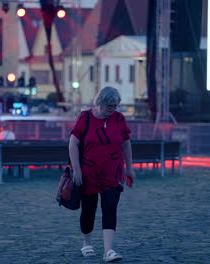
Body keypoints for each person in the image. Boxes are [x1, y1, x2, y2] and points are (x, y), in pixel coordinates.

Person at [68, 86, 135, 262]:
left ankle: (108, 250)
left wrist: (130, 168)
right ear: (99, 103)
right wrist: (76, 169)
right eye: (108, 106)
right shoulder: (85, 117)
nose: (111, 110)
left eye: (114, 106)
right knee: (88, 210)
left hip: (113, 173)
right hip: (88, 172)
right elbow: (73, 144)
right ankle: (87, 243)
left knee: (110, 208)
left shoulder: (119, 119)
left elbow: (126, 144)